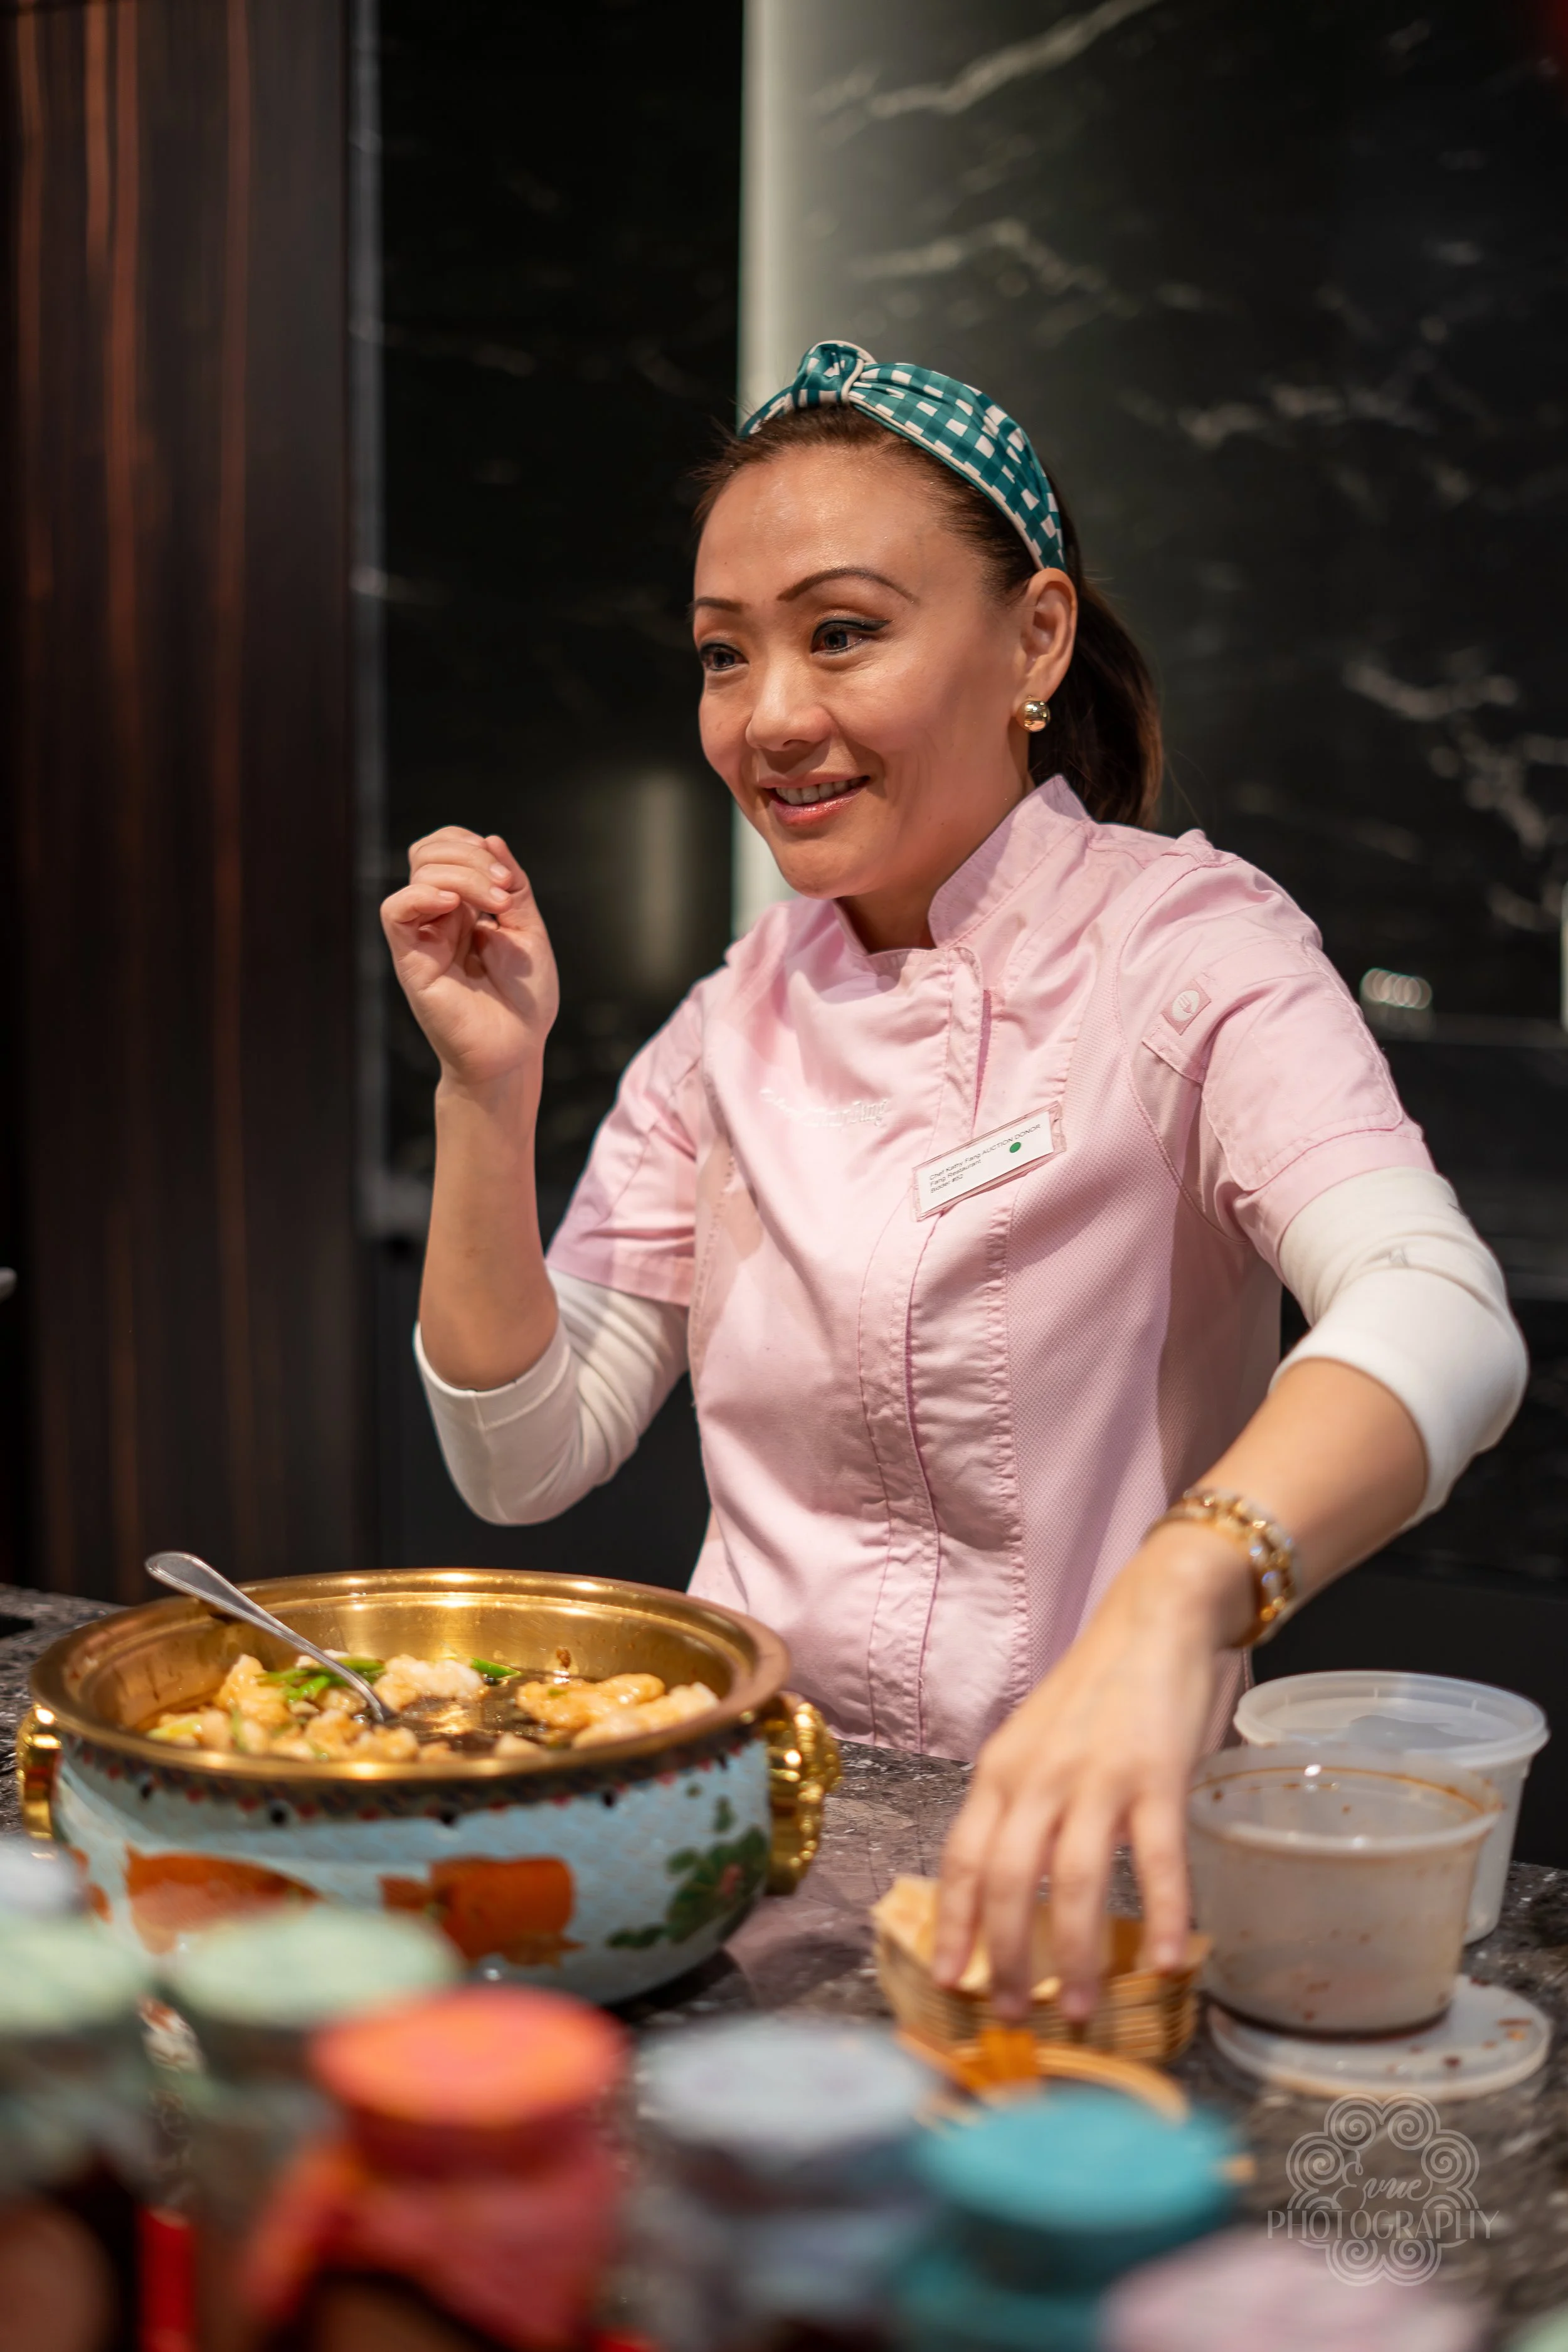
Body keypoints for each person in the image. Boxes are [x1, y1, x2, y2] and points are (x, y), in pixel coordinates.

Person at [381, 341, 1526, 2020]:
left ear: (1033, 640)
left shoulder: (1186, 946)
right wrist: (489, 1091)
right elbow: (522, 1456)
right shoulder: (731, 1019)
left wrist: (1178, 1590)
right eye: (723, 654)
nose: (771, 715)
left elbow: (1441, 1311)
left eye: (842, 631)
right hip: (738, 1858)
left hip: (1084, 1878)